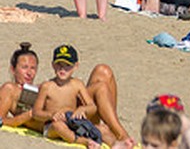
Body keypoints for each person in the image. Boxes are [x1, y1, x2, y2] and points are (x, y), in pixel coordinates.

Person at [1, 43, 131, 148]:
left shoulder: (43, 87)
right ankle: (120, 135)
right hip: (59, 126)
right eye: (24, 67)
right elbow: (1, 120)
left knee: (103, 71)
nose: (29, 73)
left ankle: (118, 132)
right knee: (100, 86)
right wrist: (25, 117)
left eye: (33, 68)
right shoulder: (10, 89)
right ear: (13, 69)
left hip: (75, 117)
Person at [32, 45, 104, 148]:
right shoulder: (47, 86)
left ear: (76, 66)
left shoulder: (78, 84)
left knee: (102, 129)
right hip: (52, 126)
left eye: (67, 65)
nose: (62, 69)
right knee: (59, 126)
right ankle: (83, 141)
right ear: (53, 65)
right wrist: (51, 115)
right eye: (59, 65)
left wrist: (82, 109)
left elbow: (92, 107)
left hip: (72, 124)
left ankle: (117, 144)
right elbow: (36, 112)